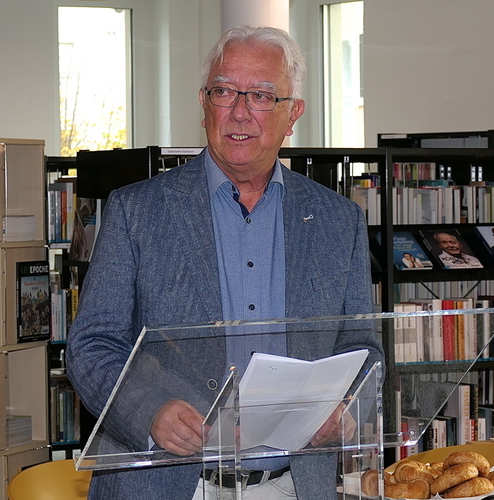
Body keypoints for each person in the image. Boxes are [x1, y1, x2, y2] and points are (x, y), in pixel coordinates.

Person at [65, 25, 382, 500]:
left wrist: (347, 406)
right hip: (165, 483)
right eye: (224, 91)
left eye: (260, 95)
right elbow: (90, 346)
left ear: (292, 113)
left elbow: (363, 347)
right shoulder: (137, 211)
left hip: (291, 487)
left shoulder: (340, 221)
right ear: (203, 102)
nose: (239, 111)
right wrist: (149, 411)